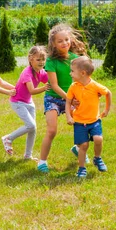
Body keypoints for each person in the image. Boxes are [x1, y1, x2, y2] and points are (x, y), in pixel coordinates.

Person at [37, 23, 88, 173]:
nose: (64, 43)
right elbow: (54, 85)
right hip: (53, 99)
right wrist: (70, 100)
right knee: (52, 130)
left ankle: (78, 149)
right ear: (53, 44)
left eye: (66, 39)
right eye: (60, 41)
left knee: (82, 127)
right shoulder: (51, 62)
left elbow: (81, 81)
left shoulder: (75, 59)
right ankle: (42, 162)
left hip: (71, 98)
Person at [65, 56, 112, 178]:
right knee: (84, 145)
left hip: (94, 120)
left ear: (82, 73)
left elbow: (108, 93)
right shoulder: (73, 87)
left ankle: (97, 158)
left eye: (72, 71)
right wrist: (69, 117)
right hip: (79, 122)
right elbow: (68, 102)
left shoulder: (95, 86)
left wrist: (106, 109)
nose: (70, 73)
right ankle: (81, 168)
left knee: (98, 139)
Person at [1, 46, 50, 160]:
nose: (41, 62)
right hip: (18, 101)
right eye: (38, 60)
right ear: (30, 59)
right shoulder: (27, 72)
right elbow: (32, 90)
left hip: (28, 102)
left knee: (33, 128)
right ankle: (8, 138)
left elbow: (51, 80)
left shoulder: (41, 72)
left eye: (43, 59)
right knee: (31, 125)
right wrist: (45, 88)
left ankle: (28, 156)